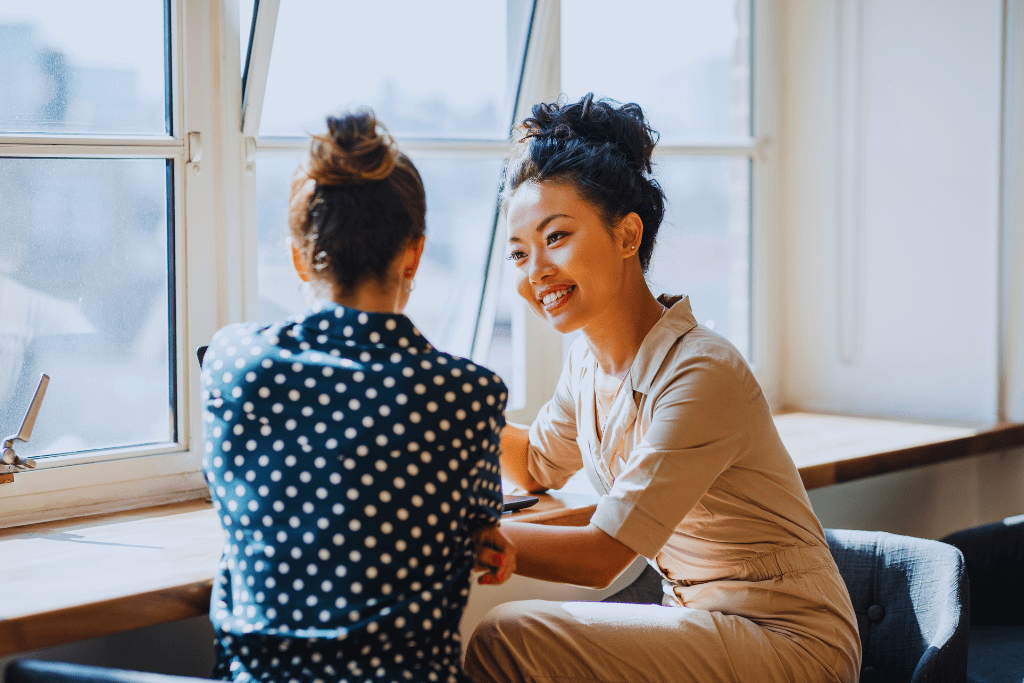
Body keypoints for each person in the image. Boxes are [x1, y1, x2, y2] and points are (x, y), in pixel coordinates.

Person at [463, 94, 862, 683]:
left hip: (793, 643)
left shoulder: (701, 372)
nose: (535, 271)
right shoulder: (587, 367)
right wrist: (449, 405)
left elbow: (602, 556)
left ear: (628, 235)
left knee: (507, 635)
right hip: (700, 623)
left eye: (557, 237)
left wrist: (456, 534)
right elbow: (537, 464)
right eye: (519, 254)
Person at [201, 110, 514, 683]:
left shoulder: (232, 361)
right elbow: (480, 528)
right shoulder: (467, 395)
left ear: (299, 257)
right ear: (413, 255)